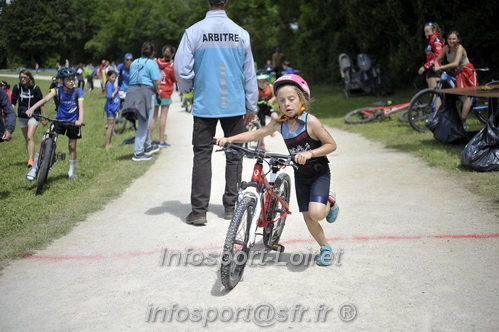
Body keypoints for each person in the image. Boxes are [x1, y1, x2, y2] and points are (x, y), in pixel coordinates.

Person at [215, 74, 340, 266]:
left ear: (302, 100)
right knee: (309, 218)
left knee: (317, 214)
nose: (287, 104)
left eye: (291, 99)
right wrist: (229, 139)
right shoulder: (279, 124)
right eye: (282, 101)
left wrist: (310, 154)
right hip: (300, 175)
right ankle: (325, 248)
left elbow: (331, 145)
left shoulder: (311, 122)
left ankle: (329, 200)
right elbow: (256, 133)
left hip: (318, 172)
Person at [174, 0, 258, 225]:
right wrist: (252, 106)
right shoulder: (241, 34)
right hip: (234, 103)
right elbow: (249, 73)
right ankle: (231, 207)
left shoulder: (193, 32)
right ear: (227, 2)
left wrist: (187, 91)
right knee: (235, 155)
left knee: (202, 155)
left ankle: (199, 212)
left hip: (205, 103)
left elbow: (181, 69)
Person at [25, 67, 84, 180]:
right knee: (45, 139)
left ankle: (71, 172)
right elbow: (44, 100)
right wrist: (32, 109)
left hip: (73, 122)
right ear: (62, 81)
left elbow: (81, 107)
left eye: (73, 79)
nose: (72, 81)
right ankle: (34, 169)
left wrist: (80, 120)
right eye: (68, 79)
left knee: (72, 146)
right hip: (59, 120)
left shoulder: (78, 91)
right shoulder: (57, 90)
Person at [123, 42, 161, 161]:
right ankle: (138, 153)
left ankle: (148, 146)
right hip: (146, 92)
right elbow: (157, 82)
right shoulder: (152, 64)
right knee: (144, 123)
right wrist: (158, 91)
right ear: (152, 52)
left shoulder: (134, 62)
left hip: (132, 91)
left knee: (143, 121)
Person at [434, 31, 477, 128]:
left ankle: (463, 122)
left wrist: (440, 67)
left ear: (458, 40)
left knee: (465, 97)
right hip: (457, 72)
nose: (451, 41)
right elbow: (437, 59)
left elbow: (456, 63)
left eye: (454, 39)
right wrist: (436, 63)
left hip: (466, 72)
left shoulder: (460, 48)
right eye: (449, 39)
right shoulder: (446, 48)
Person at [11, 69, 47, 167]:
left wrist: (44, 118)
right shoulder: (17, 87)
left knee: (30, 136)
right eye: (20, 77)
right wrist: (9, 113)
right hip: (22, 116)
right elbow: (13, 102)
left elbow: (42, 104)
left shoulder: (36, 88)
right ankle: (29, 158)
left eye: (24, 77)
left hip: (34, 116)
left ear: (29, 78)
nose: (22, 79)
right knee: (26, 139)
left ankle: (31, 160)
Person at [149, 45, 177, 147]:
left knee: (153, 117)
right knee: (163, 117)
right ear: (172, 54)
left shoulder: (155, 63)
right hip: (166, 94)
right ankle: (161, 141)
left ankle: (150, 140)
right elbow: (175, 80)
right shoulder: (171, 67)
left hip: (155, 92)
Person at [256, 72, 279, 150]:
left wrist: (271, 100)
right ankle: (262, 143)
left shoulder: (270, 87)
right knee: (262, 127)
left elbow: (275, 96)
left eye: (264, 81)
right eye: (260, 82)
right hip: (260, 109)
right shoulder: (255, 89)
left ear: (267, 81)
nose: (262, 84)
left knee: (275, 116)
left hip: (268, 107)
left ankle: (271, 128)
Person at [417, 22, 443, 90]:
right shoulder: (430, 41)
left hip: (435, 69)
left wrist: (424, 67)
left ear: (434, 31)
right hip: (431, 69)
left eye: (427, 31)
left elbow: (438, 57)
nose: (426, 34)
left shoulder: (436, 40)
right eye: (425, 32)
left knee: (435, 96)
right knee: (432, 95)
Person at [117, 53, 136, 130]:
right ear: (124, 60)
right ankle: (112, 120)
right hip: (121, 89)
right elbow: (114, 76)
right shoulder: (120, 67)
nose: (129, 61)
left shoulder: (134, 68)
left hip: (131, 89)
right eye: (127, 59)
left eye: (131, 60)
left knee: (132, 108)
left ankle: (132, 124)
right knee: (115, 103)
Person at [104, 70, 120, 148]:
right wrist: (116, 91)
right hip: (110, 108)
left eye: (115, 77)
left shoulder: (111, 84)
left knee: (112, 125)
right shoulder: (109, 85)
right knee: (110, 126)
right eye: (112, 77)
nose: (114, 79)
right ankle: (107, 144)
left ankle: (110, 143)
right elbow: (110, 96)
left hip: (112, 107)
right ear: (108, 77)